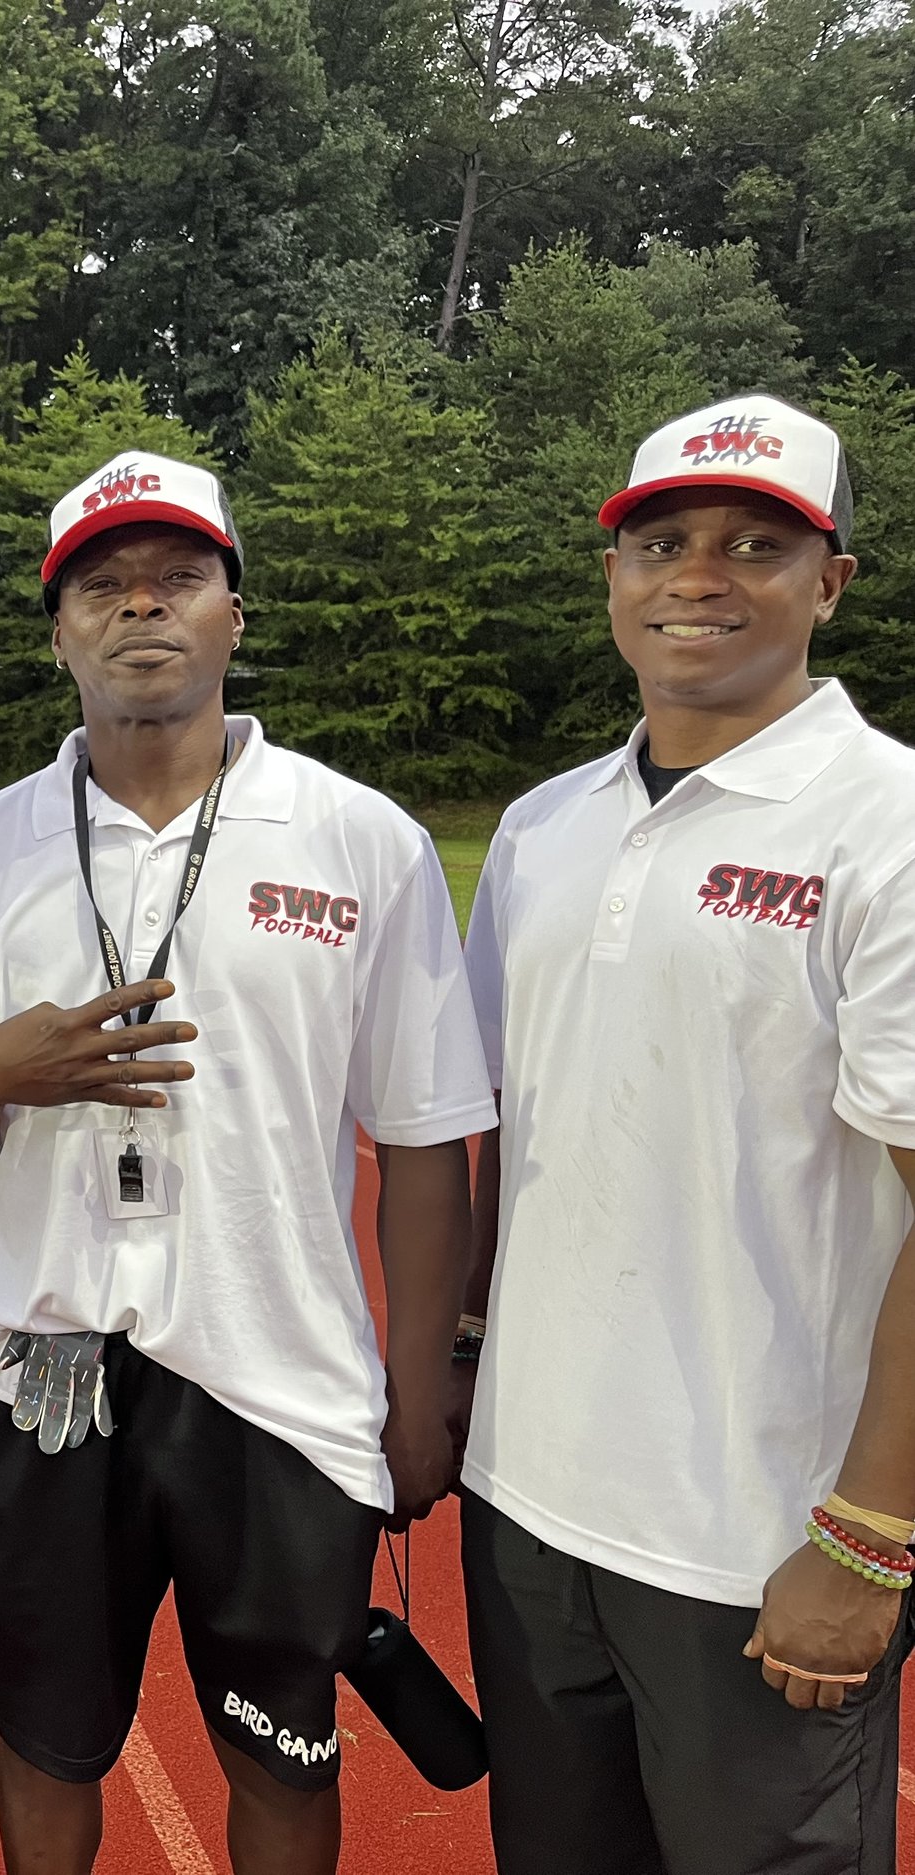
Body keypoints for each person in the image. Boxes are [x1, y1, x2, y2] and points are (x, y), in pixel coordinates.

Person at [0, 450, 493, 1874]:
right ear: (58, 625)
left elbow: (430, 1136)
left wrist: (431, 1374)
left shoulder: (360, 841)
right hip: (52, 1372)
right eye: (102, 585)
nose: (142, 606)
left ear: (233, 614)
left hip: (280, 1379)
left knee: (282, 1745)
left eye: (178, 577)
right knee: (45, 1732)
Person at [458, 393, 915, 1875]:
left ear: (832, 577)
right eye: (662, 542)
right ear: (614, 576)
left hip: (756, 1535)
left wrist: (868, 1535)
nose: (699, 576)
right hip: (531, 1509)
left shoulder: (887, 823)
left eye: (755, 544)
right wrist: (465, 1357)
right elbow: (507, 1131)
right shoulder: (541, 826)